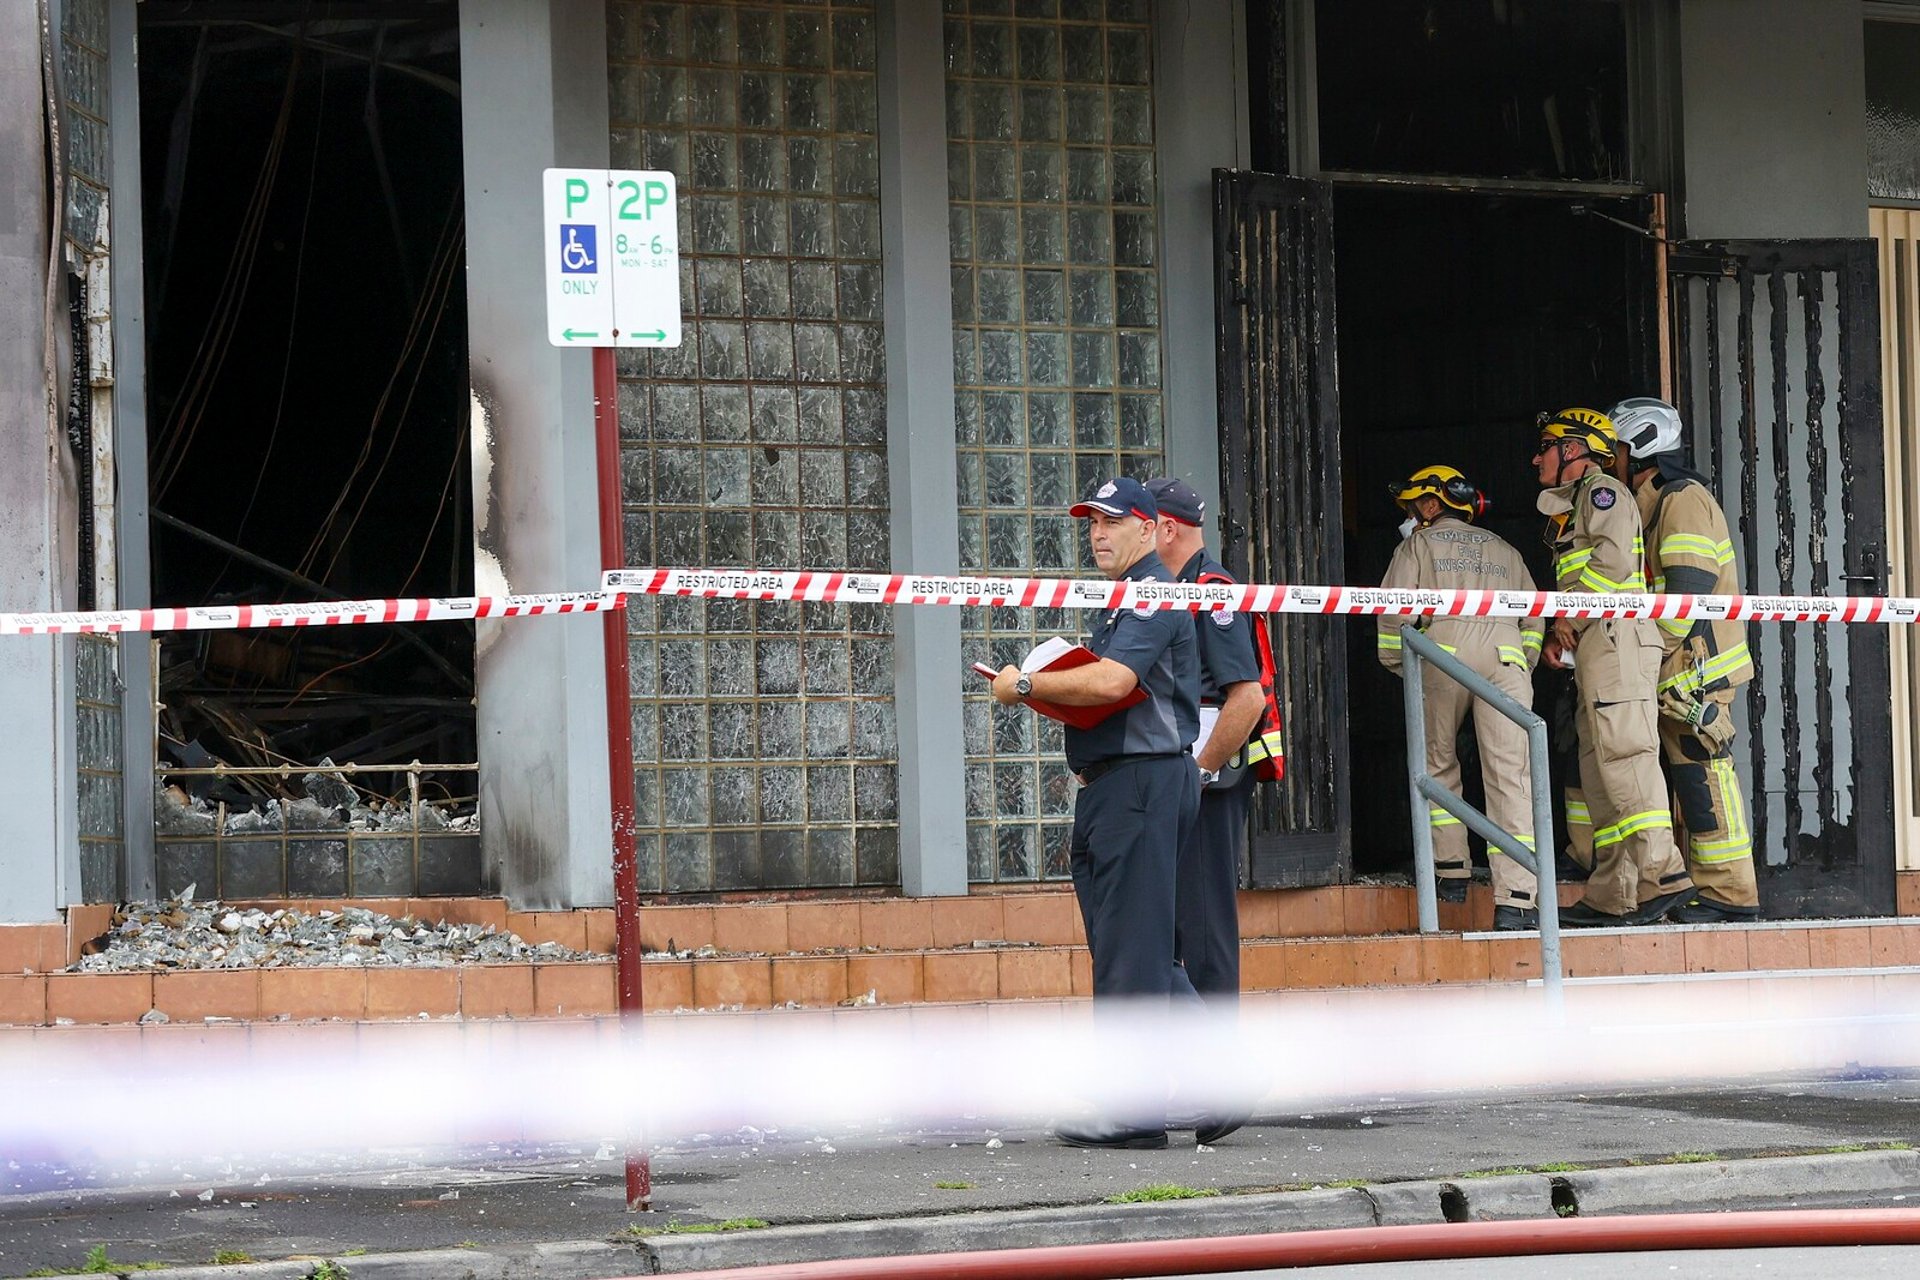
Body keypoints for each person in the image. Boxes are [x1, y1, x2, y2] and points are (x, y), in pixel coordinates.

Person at [991, 476, 1199, 1150]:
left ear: (1150, 528)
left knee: (1133, 955)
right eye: (1091, 523)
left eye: (1112, 521)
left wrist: (1025, 684)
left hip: (1142, 785)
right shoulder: (1118, 601)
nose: (1097, 534)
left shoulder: (1153, 593)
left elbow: (1114, 682)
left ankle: (1134, 1116)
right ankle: (1223, 1074)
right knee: (1125, 947)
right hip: (1115, 788)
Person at [1534, 408, 1696, 927]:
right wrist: (1566, 628)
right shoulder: (1579, 502)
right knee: (1601, 766)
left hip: (1615, 640)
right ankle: (1615, 893)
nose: (1537, 457)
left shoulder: (1604, 493)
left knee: (1626, 755)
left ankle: (1662, 873)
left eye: (1548, 446)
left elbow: (1612, 568)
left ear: (1575, 451)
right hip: (1598, 644)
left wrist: (1567, 617)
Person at [1609, 397, 1761, 922]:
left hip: (1696, 671)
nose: (1614, 461)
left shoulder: (1683, 499)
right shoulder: (1654, 503)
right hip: (1680, 670)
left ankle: (1731, 895)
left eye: (1619, 450)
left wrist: (1649, 651)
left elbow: (1689, 590)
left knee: (1704, 779)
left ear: (1642, 447)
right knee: (1690, 785)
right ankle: (1708, 889)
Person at [1376, 465, 1545, 931]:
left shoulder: (1417, 545)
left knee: (1438, 763)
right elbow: (1535, 617)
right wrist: (1520, 662)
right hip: (1506, 658)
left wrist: (1405, 667)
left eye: (1413, 507)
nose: (1411, 516)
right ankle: (1516, 899)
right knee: (1511, 775)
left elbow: (1393, 617)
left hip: (1441, 656)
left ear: (1431, 505)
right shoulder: (1506, 550)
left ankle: (1450, 872)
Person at [1145, 476, 1266, 1014]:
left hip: (1207, 785)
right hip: (1180, 780)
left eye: (1135, 525)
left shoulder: (1211, 591)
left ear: (1165, 529)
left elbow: (1248, 699)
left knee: (1204, 929)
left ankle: (1221, 1082)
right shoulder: (1169, 590)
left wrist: (1196, 773)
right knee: (1173, 927)